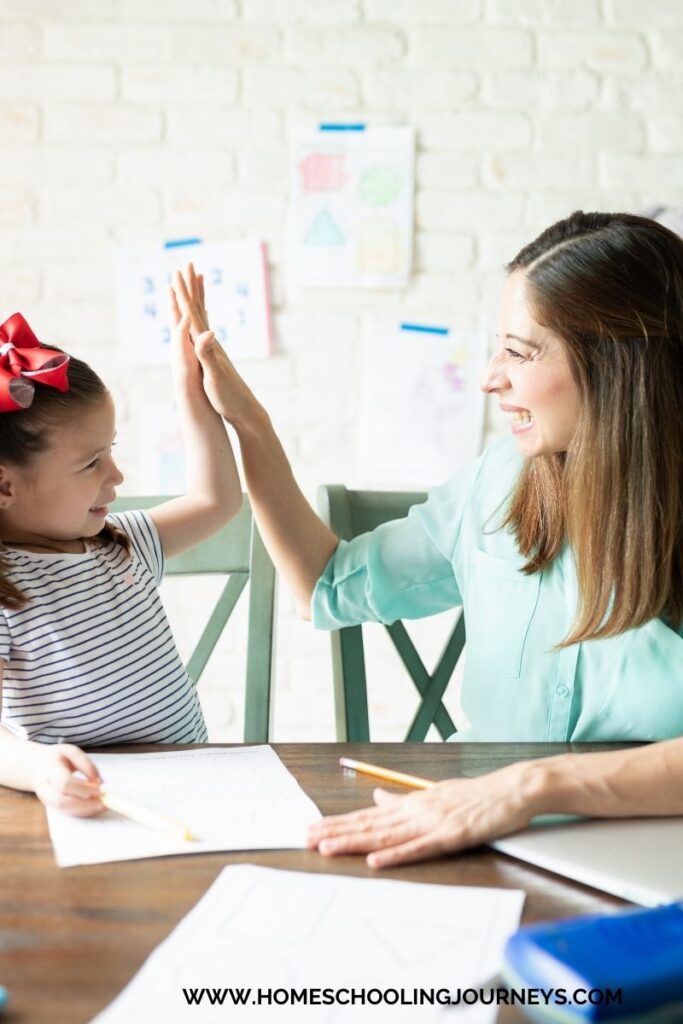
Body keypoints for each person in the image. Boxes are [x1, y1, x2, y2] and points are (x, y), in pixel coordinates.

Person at [173, 210, 683, 868]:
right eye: (497, 345)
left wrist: (531, 786)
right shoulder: (498, 482)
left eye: (520, 352)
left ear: (618, 365)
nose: (490, 377)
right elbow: (322, 587)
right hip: (481, 842)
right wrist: (248, 422)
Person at [0, 268, 241, 817]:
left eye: (110, 448)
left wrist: (191, 382)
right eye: (91, 462)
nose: (117, 475)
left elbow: (218, 500)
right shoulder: (5, 588)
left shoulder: (122, 544)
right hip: (100, 806)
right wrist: (40, 770)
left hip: (198, 783)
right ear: (4, 485)